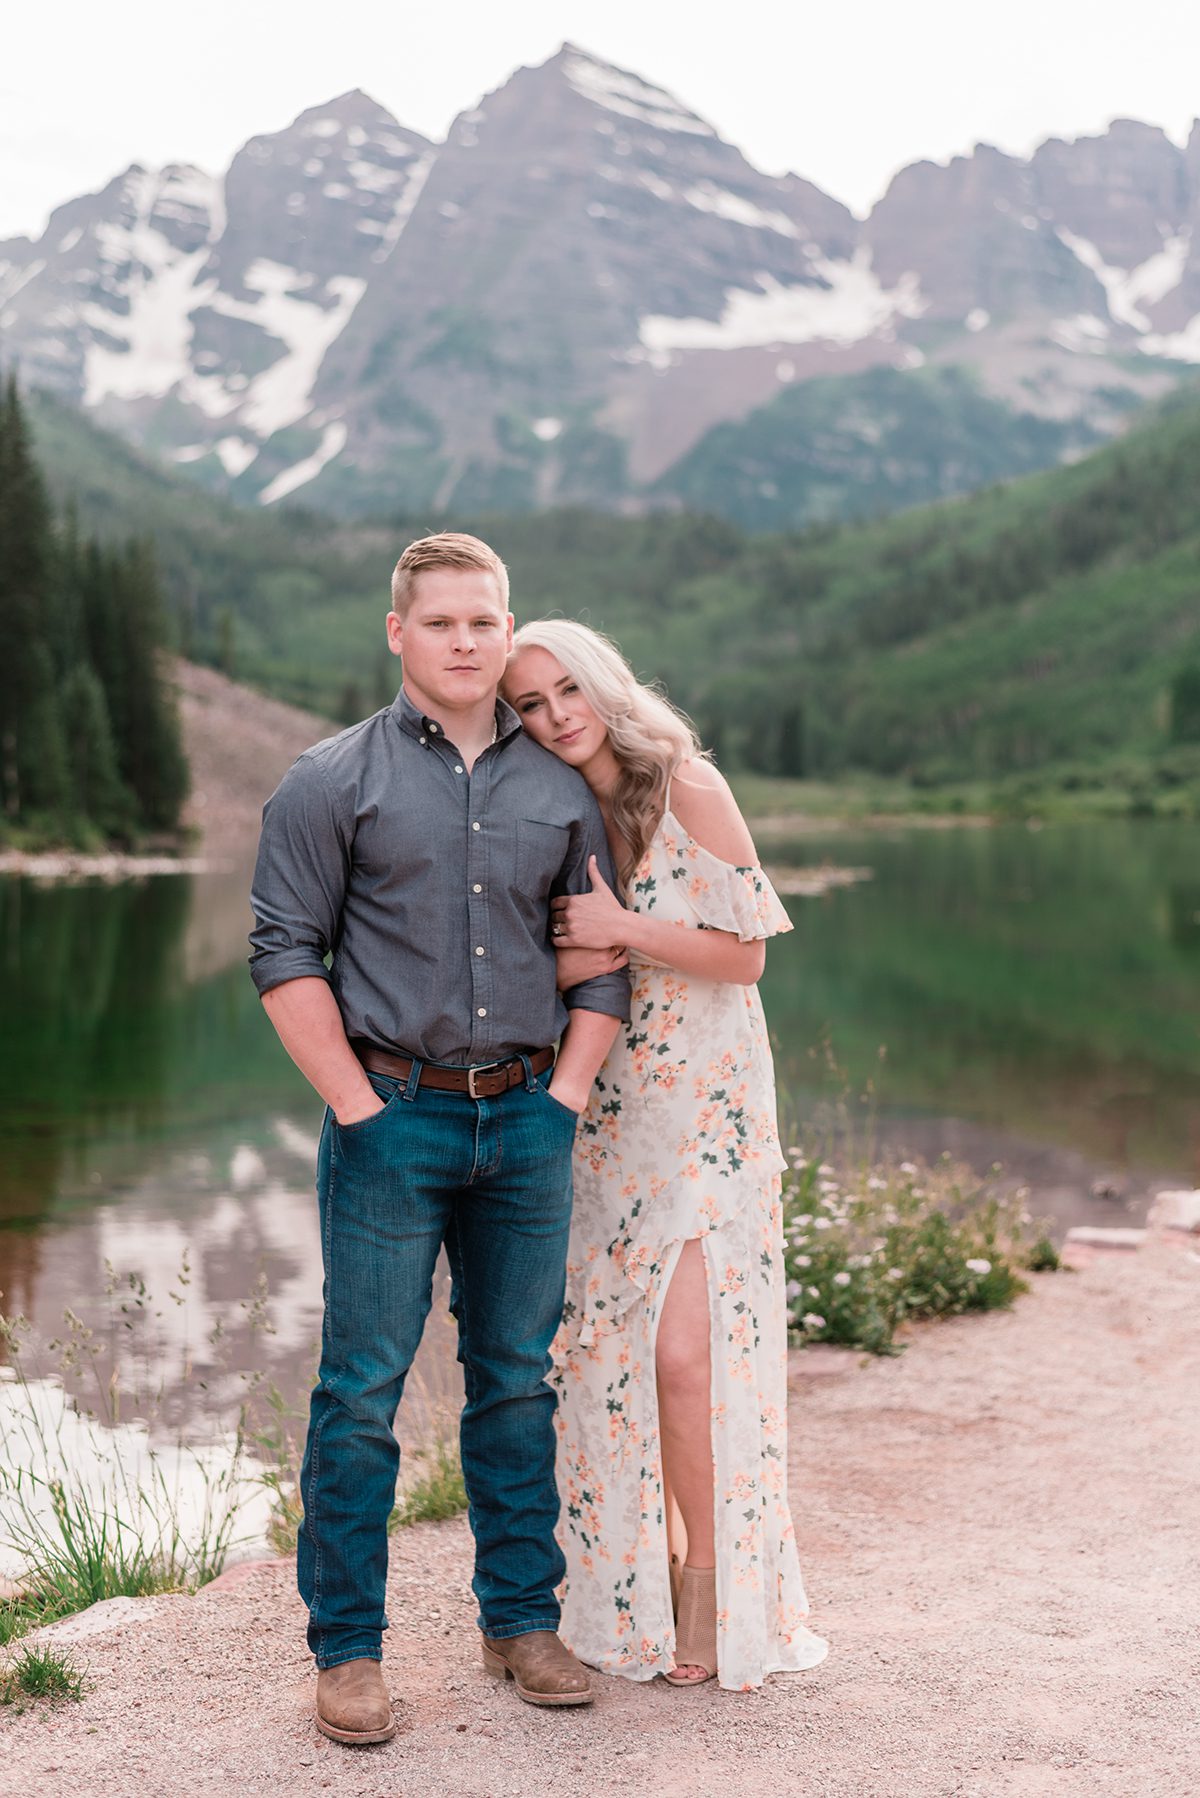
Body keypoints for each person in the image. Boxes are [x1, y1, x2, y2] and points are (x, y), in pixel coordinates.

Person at [249, 535, 630, 1744]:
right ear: (399, 632)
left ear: (505, 629)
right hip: (391, 1118)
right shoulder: (328, 780)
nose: (467, 641)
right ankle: (348, 1653)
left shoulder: (561, 788)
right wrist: (357, 1107)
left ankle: (520, 1620)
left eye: (486, 621)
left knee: (516, 1381)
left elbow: (600, 955)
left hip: (528, 1119)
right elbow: (282, 953)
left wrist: (566, 1094)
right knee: (359, 1391)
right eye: (445, 621)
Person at [502, 619, 828, 1692]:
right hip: (609, 1113)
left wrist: (622, 928)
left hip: (707, 1111)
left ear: (600, 681)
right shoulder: (560, 811)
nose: (554, 716)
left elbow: (748, 956)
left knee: (688, 1359)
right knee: (612, 1359)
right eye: (530, 706)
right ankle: (620, 1594)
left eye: (565, 690)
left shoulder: (688, 787)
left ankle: (710, 1595)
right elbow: (561, 969)